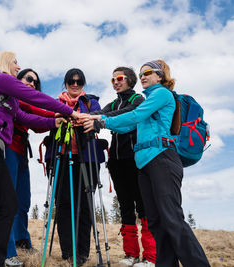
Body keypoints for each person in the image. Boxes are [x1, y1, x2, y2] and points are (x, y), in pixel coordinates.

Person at [0, 51, 84, 267]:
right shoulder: (0, 79)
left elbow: (22, 117)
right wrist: (70, 112)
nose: (17, 67)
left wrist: (55, 122)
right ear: (4, 62)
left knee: (8, 204)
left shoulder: (6, 95)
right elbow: (35, 98)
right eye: (15, 62)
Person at [83, 60, 210, 267]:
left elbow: (136, 115)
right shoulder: (150, 99)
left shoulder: (161, 94)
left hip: (162, 158)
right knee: (156, 221)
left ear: (160, 76)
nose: (142, 76)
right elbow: (130, 124)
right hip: (143, 163)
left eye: (148, 72)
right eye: (141, 73)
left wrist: (103, 120)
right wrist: (98, 123)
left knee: (172, 218)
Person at [90, 67, 156, 267]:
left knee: (143, 205)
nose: (115, 82)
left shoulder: (138, 100)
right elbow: (100, 113)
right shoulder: (113, 102)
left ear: (130, 80)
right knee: (125, 206)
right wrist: (84, 116)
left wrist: (100, 120)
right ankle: (131, 254)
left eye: (119, 78)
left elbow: (128, 114)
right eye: (112, 80)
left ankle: (151, 257)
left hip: (135, 160)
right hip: (117, 162)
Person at [51, 68, 105, 266]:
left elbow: (97, 117)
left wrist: (81, 118)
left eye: (79, 81)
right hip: (61, 158)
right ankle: (68, 251)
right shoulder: (55, 102)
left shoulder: (91, 102)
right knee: (63, 205)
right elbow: (49, 120)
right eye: (71, 81)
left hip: (87, 158)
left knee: (84, 205)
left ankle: (82, 252)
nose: (75, 84)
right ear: (65, 83)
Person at [3, 68, 55, 267]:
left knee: (23, 201)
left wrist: (55, 121)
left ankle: (22, 240)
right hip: (8, 149)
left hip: (21, 151)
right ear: (18, 80)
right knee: (7, 201)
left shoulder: (26, 103)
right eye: (29, 79)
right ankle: (7, 251)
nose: (32, 83)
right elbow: (35, 112)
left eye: (36, 82)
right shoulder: (14, 97)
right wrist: (60, 113)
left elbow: (38, 124)